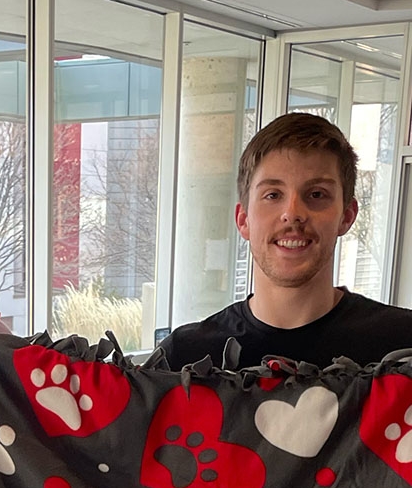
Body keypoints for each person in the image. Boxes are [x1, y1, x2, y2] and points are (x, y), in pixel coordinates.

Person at [158, 112, 412, 369]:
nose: (293, 213)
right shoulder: (181, 359)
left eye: (316, 194)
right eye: (273, 195)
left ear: (347, 216)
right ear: (243, 220)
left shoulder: (403, 347)